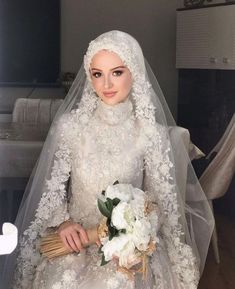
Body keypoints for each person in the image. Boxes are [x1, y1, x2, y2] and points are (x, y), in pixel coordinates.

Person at [0, 30, 214, 289]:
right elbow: (51, 191)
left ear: (134, 72)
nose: (106, 85)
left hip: (125, 250)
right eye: (97, 74)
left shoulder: (150, 135)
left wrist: (131, 236)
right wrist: (63, 222)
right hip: (73, 242)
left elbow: (159, 205)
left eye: (117, 72)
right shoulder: (70, 127)